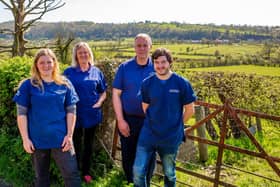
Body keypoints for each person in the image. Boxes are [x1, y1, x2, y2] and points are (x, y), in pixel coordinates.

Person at [13, 48, 81, 187]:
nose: (46, 66)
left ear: (54, 63)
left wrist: (69, 135)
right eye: (42, 62)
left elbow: (71, 110)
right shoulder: (28, 85)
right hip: (37, 140)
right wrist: (25, 139)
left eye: (49, 62)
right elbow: (21, 114)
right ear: (36, 65)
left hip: (62, 139)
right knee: (41, 177)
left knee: (71, 175)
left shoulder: (64, 84)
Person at [133, 48, 197, 187]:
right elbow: (145, 107)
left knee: (169, 173)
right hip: (148, 134)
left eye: (163, 62)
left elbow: (190, 110)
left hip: (170, 137)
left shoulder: (181, 83)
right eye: (156, 62)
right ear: (153, 64)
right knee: (138, 171)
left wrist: (175, 125)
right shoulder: (147, 83)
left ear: (169, 63)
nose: (160, 66)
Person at [112, 33, 155, 184]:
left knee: (149, 156)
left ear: (150, 47)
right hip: (128, 119)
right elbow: (116, 94)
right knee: (128, 156)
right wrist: (121, 120)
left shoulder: (158, 67)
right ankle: (131, 182)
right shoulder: (125, 68)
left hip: (150, 121)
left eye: (145, 45)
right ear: (134, 47)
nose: (142, 48)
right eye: (139, 45)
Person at [64, 42, 107, 183]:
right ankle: (73, 172)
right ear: (76, 55)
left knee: (88, 145)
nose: (83, 55)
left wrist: (99, 102)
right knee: (75, 143)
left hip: (91, 113)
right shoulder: (69, 72)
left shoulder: (96, 72)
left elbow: (103, 92)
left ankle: (86, 172)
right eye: (80, 52)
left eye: (85, 52)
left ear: (89, 54)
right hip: (74, 114)